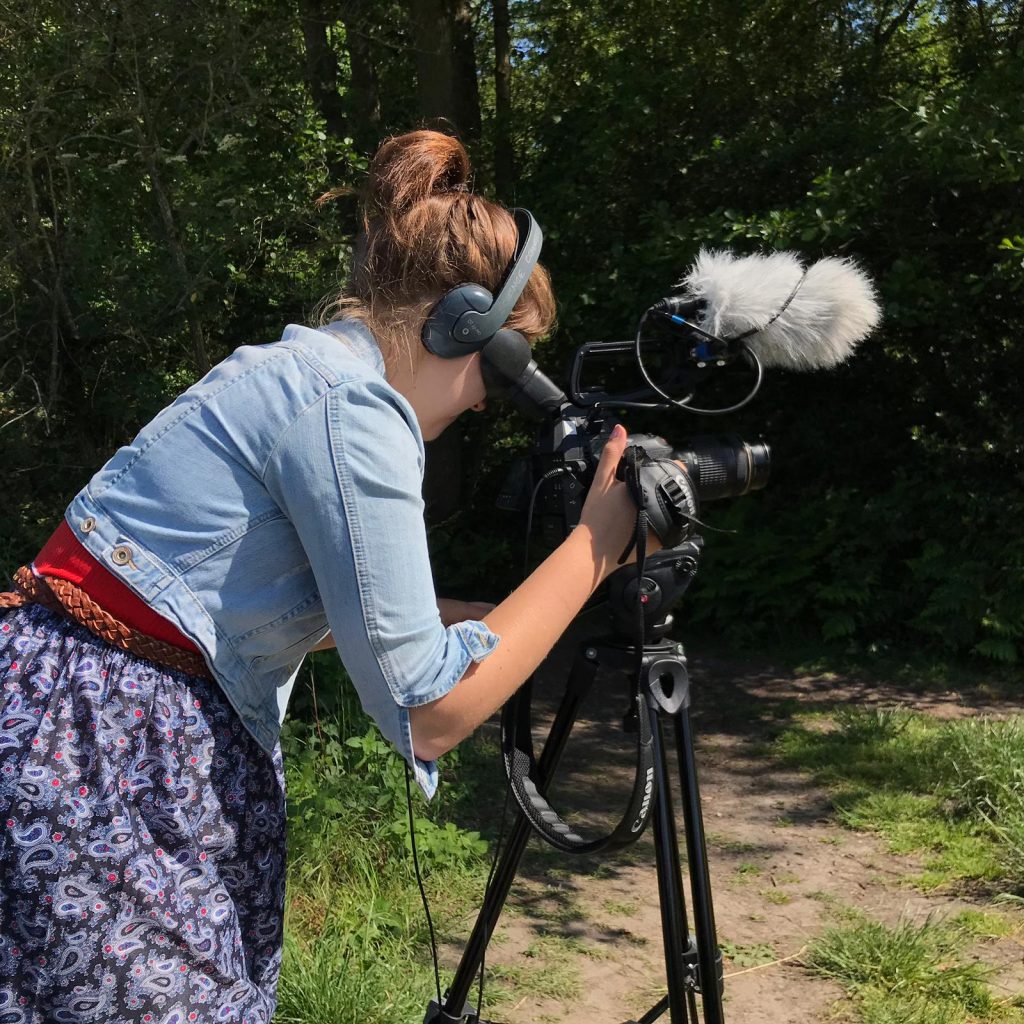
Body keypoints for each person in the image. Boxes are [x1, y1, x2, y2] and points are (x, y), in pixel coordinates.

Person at [0, 130, 640, 1023]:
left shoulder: (295, 374)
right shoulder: (351, 407)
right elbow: (431, 710)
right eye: (506, 362)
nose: (490, 398)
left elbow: (288, 610)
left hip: (79, 721)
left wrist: (492, 616)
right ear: (461, 325)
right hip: (111, 753)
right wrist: (595, 546)